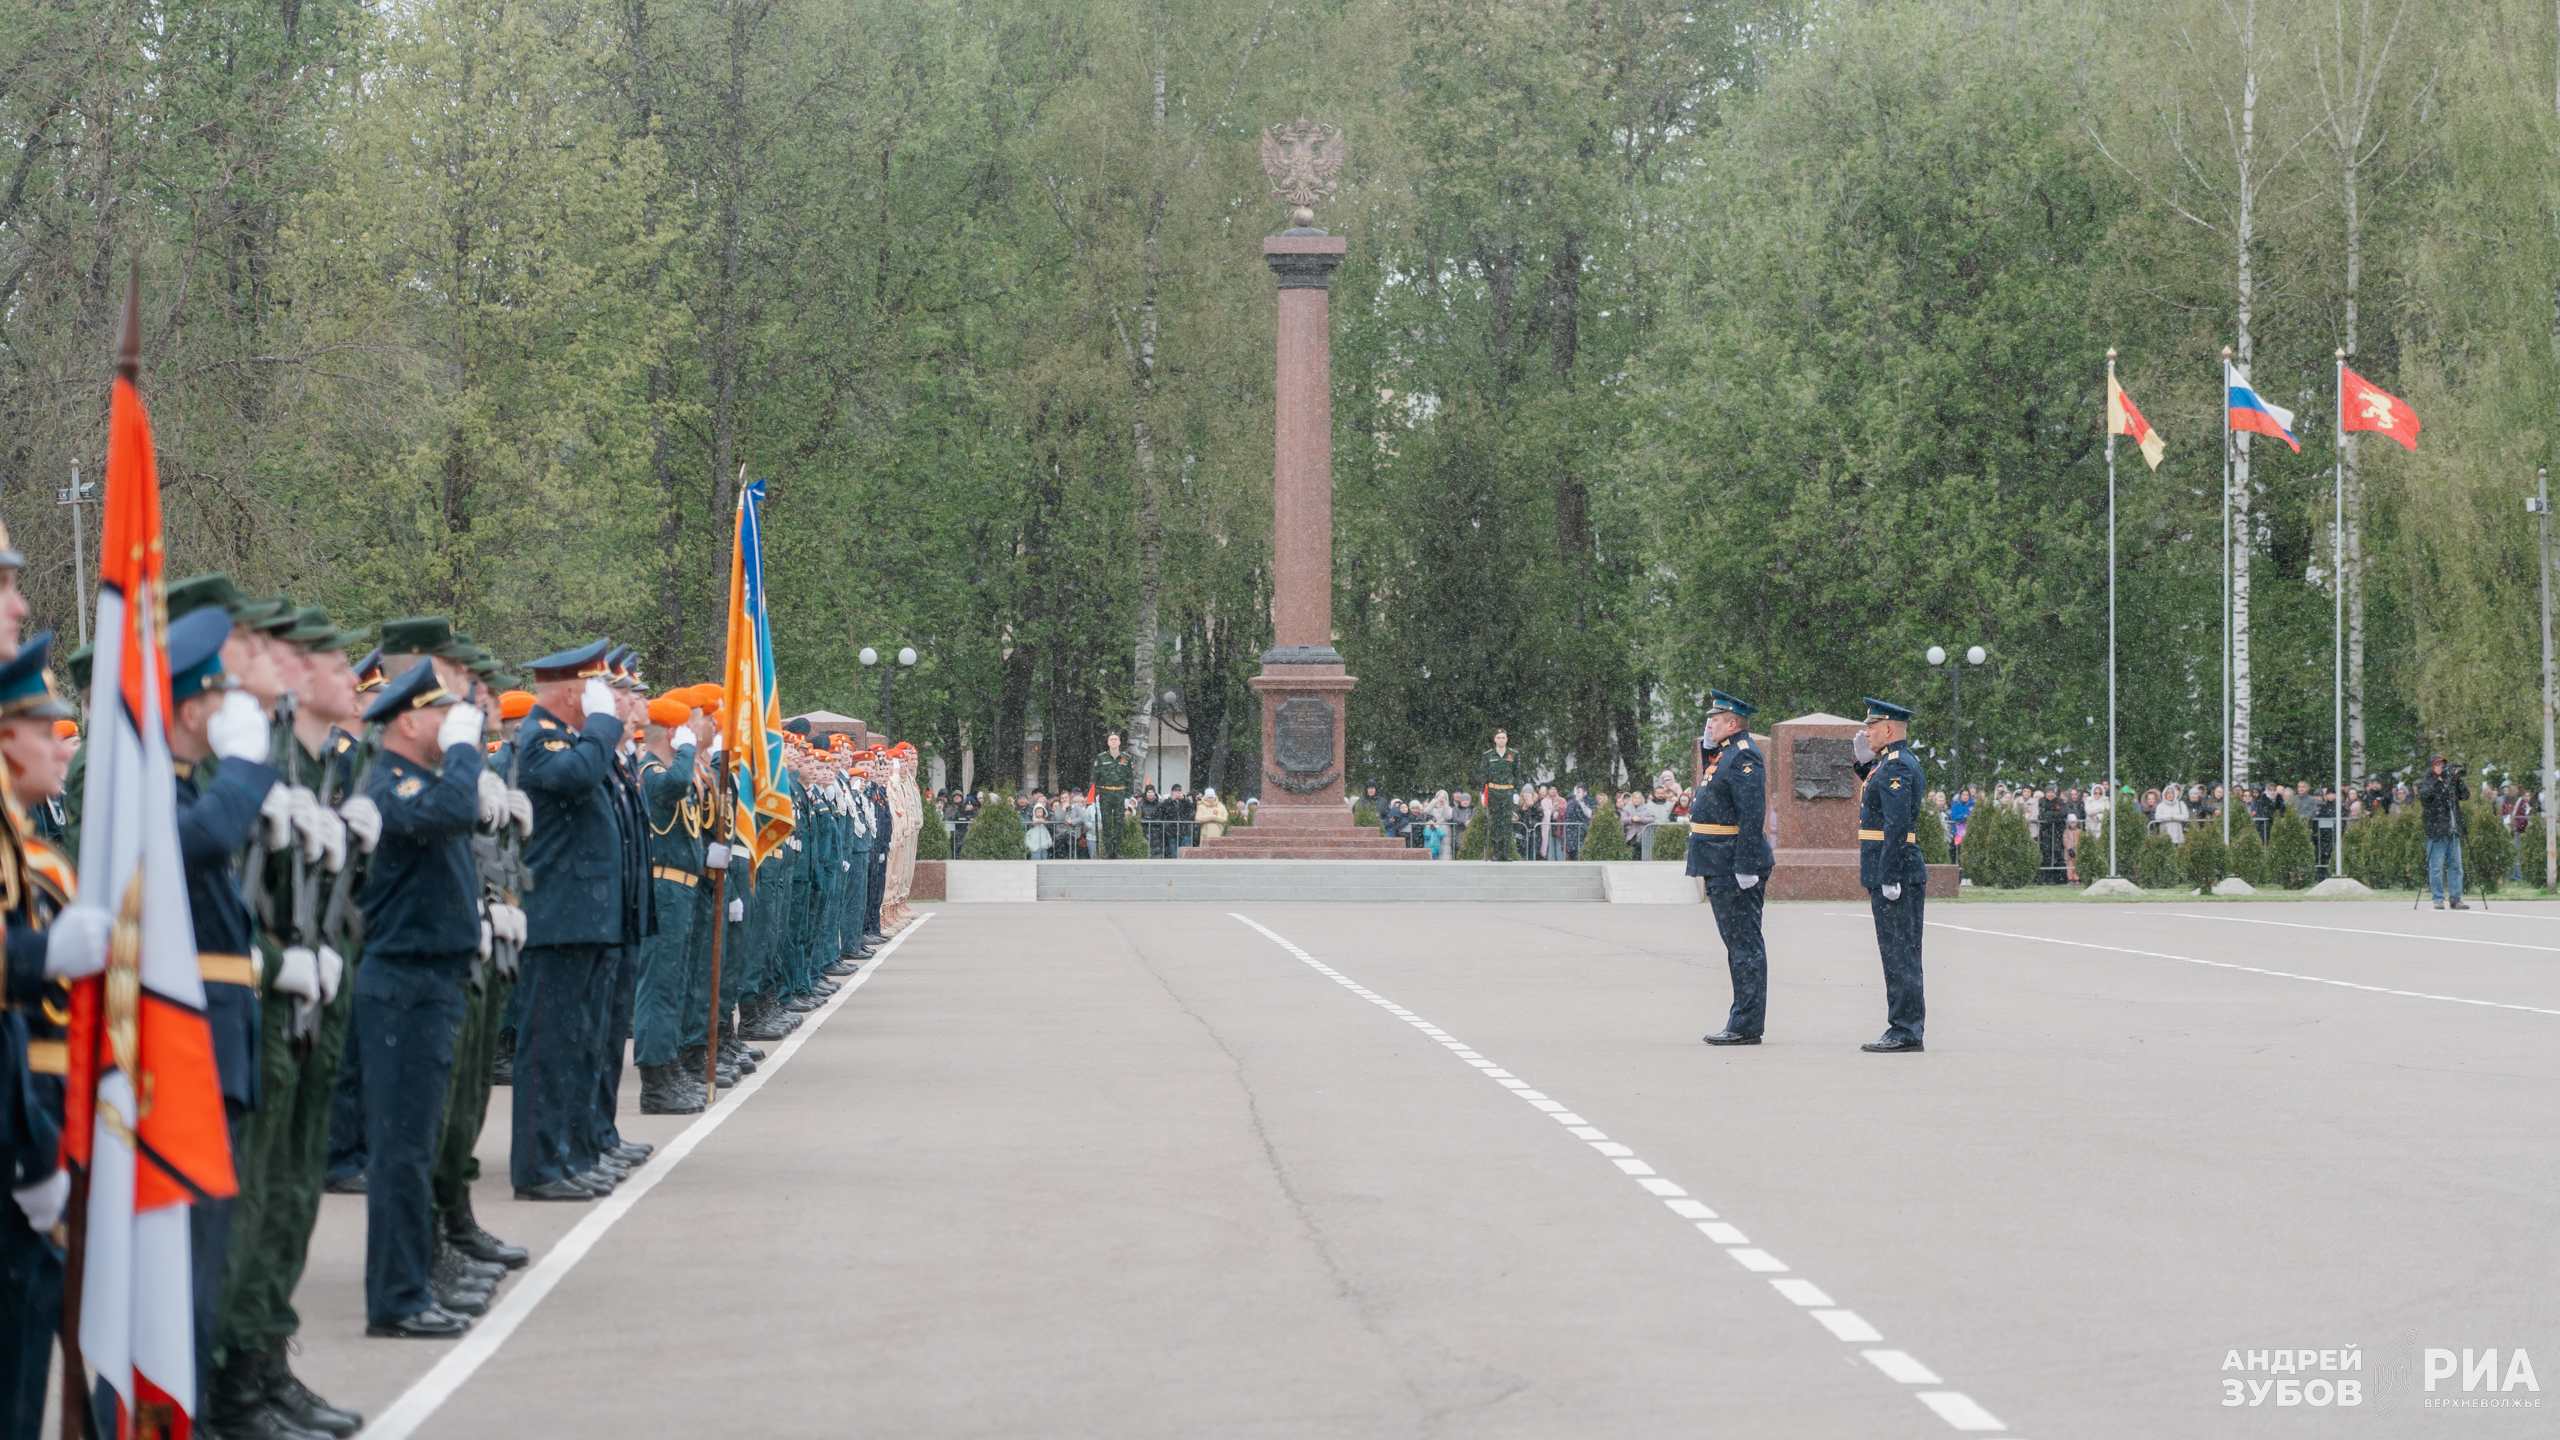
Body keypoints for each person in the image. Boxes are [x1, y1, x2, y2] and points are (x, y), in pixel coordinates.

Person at [347, 660, 488, 1338]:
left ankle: (413, 1284)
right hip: (403, 985)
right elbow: (455, 812)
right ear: (408, 721)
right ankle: (398, 1299)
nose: (454, 722)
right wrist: (465, 752)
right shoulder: (391, 784)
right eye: (442, 712)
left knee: (417, 1143)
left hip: (430, 981)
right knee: (402, 1149)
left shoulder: (421, 783)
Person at [510, 640, 633, 1201]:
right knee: (549, 1049)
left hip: (581, 917)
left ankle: (572, 1155)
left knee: (578, 1045)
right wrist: (604, 726)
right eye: (594, 692)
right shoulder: (540, 739)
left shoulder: (574, 740)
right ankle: (540, 1167)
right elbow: (580, 776)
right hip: (556, 917)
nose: (604, 703)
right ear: (570, 694)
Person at [1690, 692, 1774, 1047]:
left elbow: (1752, 813)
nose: (1709, 725)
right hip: (1719, 860)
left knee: (1744, 947)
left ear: (1733, 723)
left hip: (1731, 863)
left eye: (1715, 720)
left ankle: (1746, 1024)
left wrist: (1745, 865)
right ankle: (1744, 1020)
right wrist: (1708, 750)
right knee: (1738, 945)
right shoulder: (1725, 753)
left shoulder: (1744, 755)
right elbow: (1717, 789)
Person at [1855, 698, 1928, 1053]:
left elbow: (1896, 825)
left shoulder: (1897, 764)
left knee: (1900, 953)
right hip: (1891, 868)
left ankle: (1905, 1030)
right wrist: (1863, 765)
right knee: (1896, 952)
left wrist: (1889, 873)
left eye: (1871, 727)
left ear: (1887, 729)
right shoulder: (1889, 762)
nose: (1866, 733)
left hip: (1896, 870)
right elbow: (1879, 798)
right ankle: (1904, 1026)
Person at [2415, 755, 2468, 910]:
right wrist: (2439, 782)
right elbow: (2425, 797)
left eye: (2443, 765)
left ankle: (2456, 898)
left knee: (2456, 867)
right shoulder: (2425, 782)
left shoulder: (2450, 781)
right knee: (2436, 867)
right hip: (2435, 831)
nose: (2442, 767)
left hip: (2452, 829)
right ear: (2431, 767)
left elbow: (2464, 795)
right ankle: (2438, 898)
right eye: (2438, 765)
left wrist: (2457, 780)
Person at [1478, 731, 1522, 862]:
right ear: (1495, 739)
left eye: (1503, 737)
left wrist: (1517, 792)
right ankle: (1496, 853)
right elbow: (1484, 775)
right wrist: (1483, 792)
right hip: (1493, 791)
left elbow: (1517, 775)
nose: (1501, 740)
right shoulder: (1488, 755)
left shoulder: (1513, 754)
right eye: (1499, 738)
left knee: (1506, 823)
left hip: (1507, 791)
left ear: (1507, 739)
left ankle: (1506, 853)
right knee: (1495, 822)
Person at [1091, 733, 1136, 859]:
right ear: (1108, 743)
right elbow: (1094, 776)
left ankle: (1116, 850)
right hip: (1106, 793)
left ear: (1120, 742)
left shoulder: (1126, 758)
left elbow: (1130, 779)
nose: (1114, 741)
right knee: (1106, 822)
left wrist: (1128, 796)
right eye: (1111, 739)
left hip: (1120, 793)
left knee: (1118, 822)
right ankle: (1107, 850)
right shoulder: (1101, 758)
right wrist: (1093, 793)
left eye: (1116, 739)